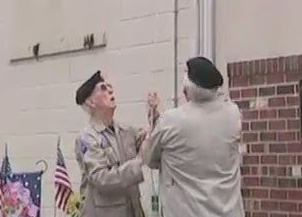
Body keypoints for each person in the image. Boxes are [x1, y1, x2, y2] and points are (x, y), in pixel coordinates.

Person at [141, 57, 245, 217]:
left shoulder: (171, 121)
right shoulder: (233, 114)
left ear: (187, 90)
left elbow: (150, 158)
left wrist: (153, 121)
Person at [73, 70, 161, 217]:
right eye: (103, 88)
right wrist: (138, 162)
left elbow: (152, 141)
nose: (110, 90)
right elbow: (101, 178)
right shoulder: (88, 138)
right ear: (91, 102)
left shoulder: (125, 131)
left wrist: (153, 114)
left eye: (109, 87)